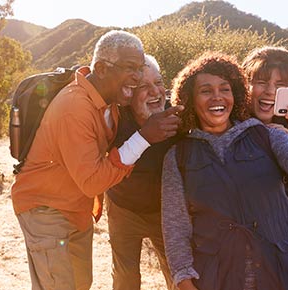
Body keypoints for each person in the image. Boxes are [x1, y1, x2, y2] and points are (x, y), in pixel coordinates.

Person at [11, 30, 183, 290]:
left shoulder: (110, 101)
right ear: (101, 68)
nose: (137, 78)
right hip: (45, 208)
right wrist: (145, 137)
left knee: (80, 284)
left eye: (140, 69)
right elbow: (93, 182)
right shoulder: (74, 107)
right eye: (130, 69)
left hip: (75, 207)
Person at [161, 51, 288, 290]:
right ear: (190, 99)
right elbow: (175, 227)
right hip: (219, 277)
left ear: (235, 95)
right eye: (205, 91)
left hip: (284, 273)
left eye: (225, 89)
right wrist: (184, 279)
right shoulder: (177, 157)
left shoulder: (268, 134)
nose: (217, 97)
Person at [106, 54, 176, 290]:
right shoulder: (115, 121)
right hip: (122, 209)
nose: (156, 92)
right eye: (144, 87)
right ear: (129, 95)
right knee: (126, 279)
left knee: (177, 275)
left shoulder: (179, 119)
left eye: (159, 83)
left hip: (164, 213)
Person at [242, 46, 288, 148]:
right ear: (245, 85)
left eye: (280, 85)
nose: (270, 91)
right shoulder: (228, 126)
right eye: (261, 82)